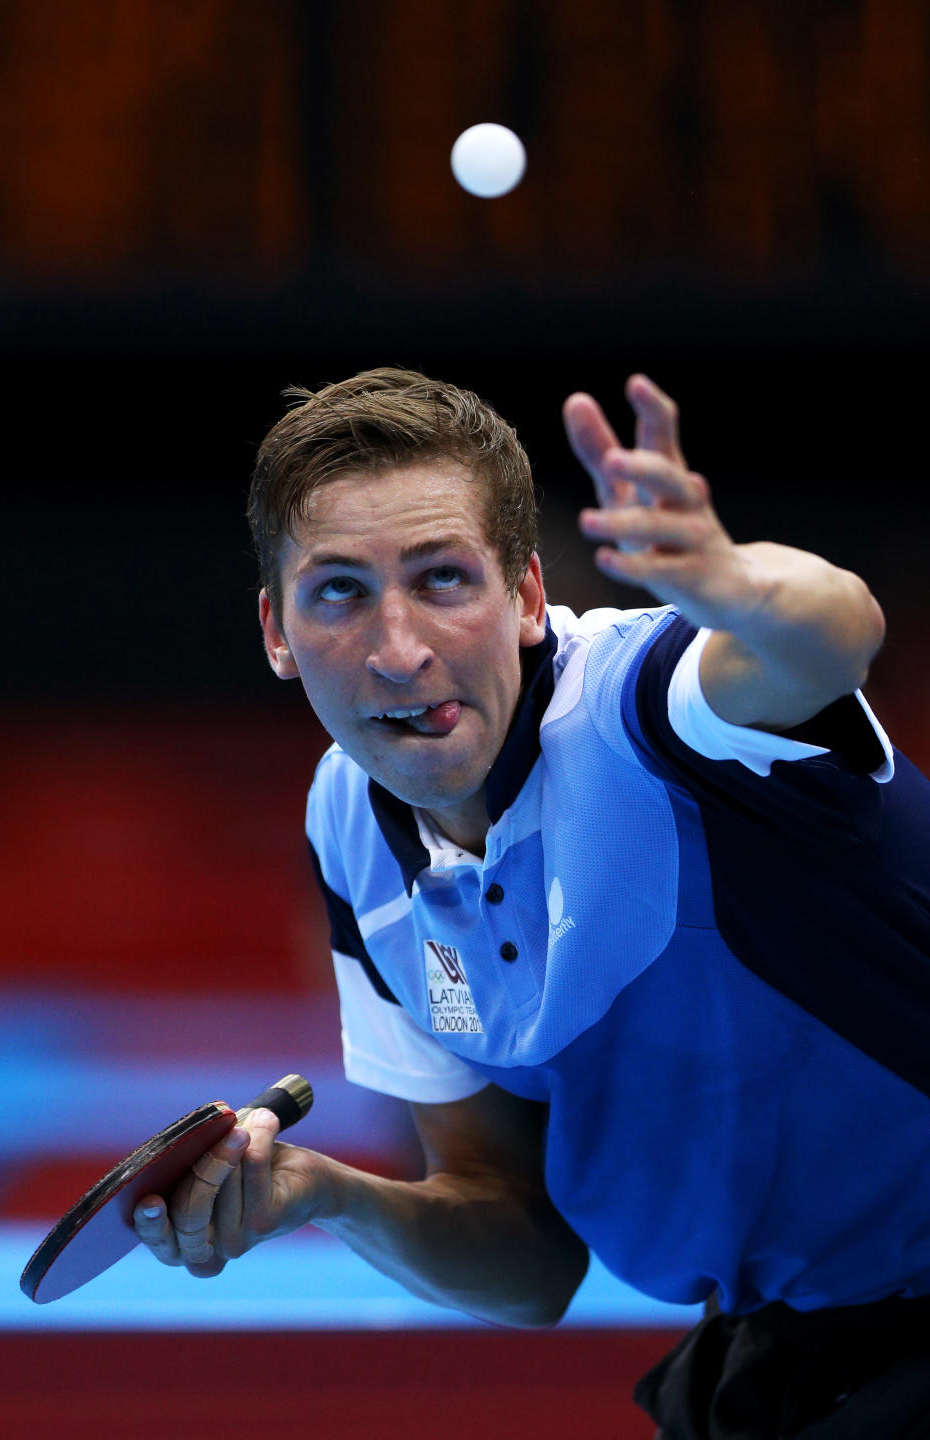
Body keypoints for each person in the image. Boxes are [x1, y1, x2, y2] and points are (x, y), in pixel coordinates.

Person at [135, 367, 930, 1437]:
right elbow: (526, 1259)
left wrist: (739, 583)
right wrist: (322, 1195)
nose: (399, 649)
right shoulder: (349, 833)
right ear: (277, 631)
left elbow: (834, 631)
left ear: (526, 598)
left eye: (444, 579)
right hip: (789, 1346)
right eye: (340, 591)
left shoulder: (658, 706)